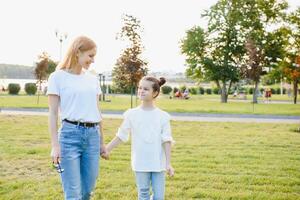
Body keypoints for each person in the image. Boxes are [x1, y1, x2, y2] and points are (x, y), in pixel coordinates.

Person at [47, 36, 107, 200]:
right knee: (73, 193)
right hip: (69, 136)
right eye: (90, 55)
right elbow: (52, 114)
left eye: (94, 56)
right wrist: (55, 146)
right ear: (77, 52)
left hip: (92, 137)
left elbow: (97, 111)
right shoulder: (57, 77)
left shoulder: (92, 79)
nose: (93, 60)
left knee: (87, 191)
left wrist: (102, 142)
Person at [104, 76, 175, 200]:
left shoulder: (163, 116)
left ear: (155, 93)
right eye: (140, 88)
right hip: (140, 162)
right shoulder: (131, 114)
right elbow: (121, 135)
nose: (141, 91)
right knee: (143, 194)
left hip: (158, 163)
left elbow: (167, 140)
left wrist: (168, 163)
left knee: (159, 196)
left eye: (146, 89)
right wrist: (107, 149)